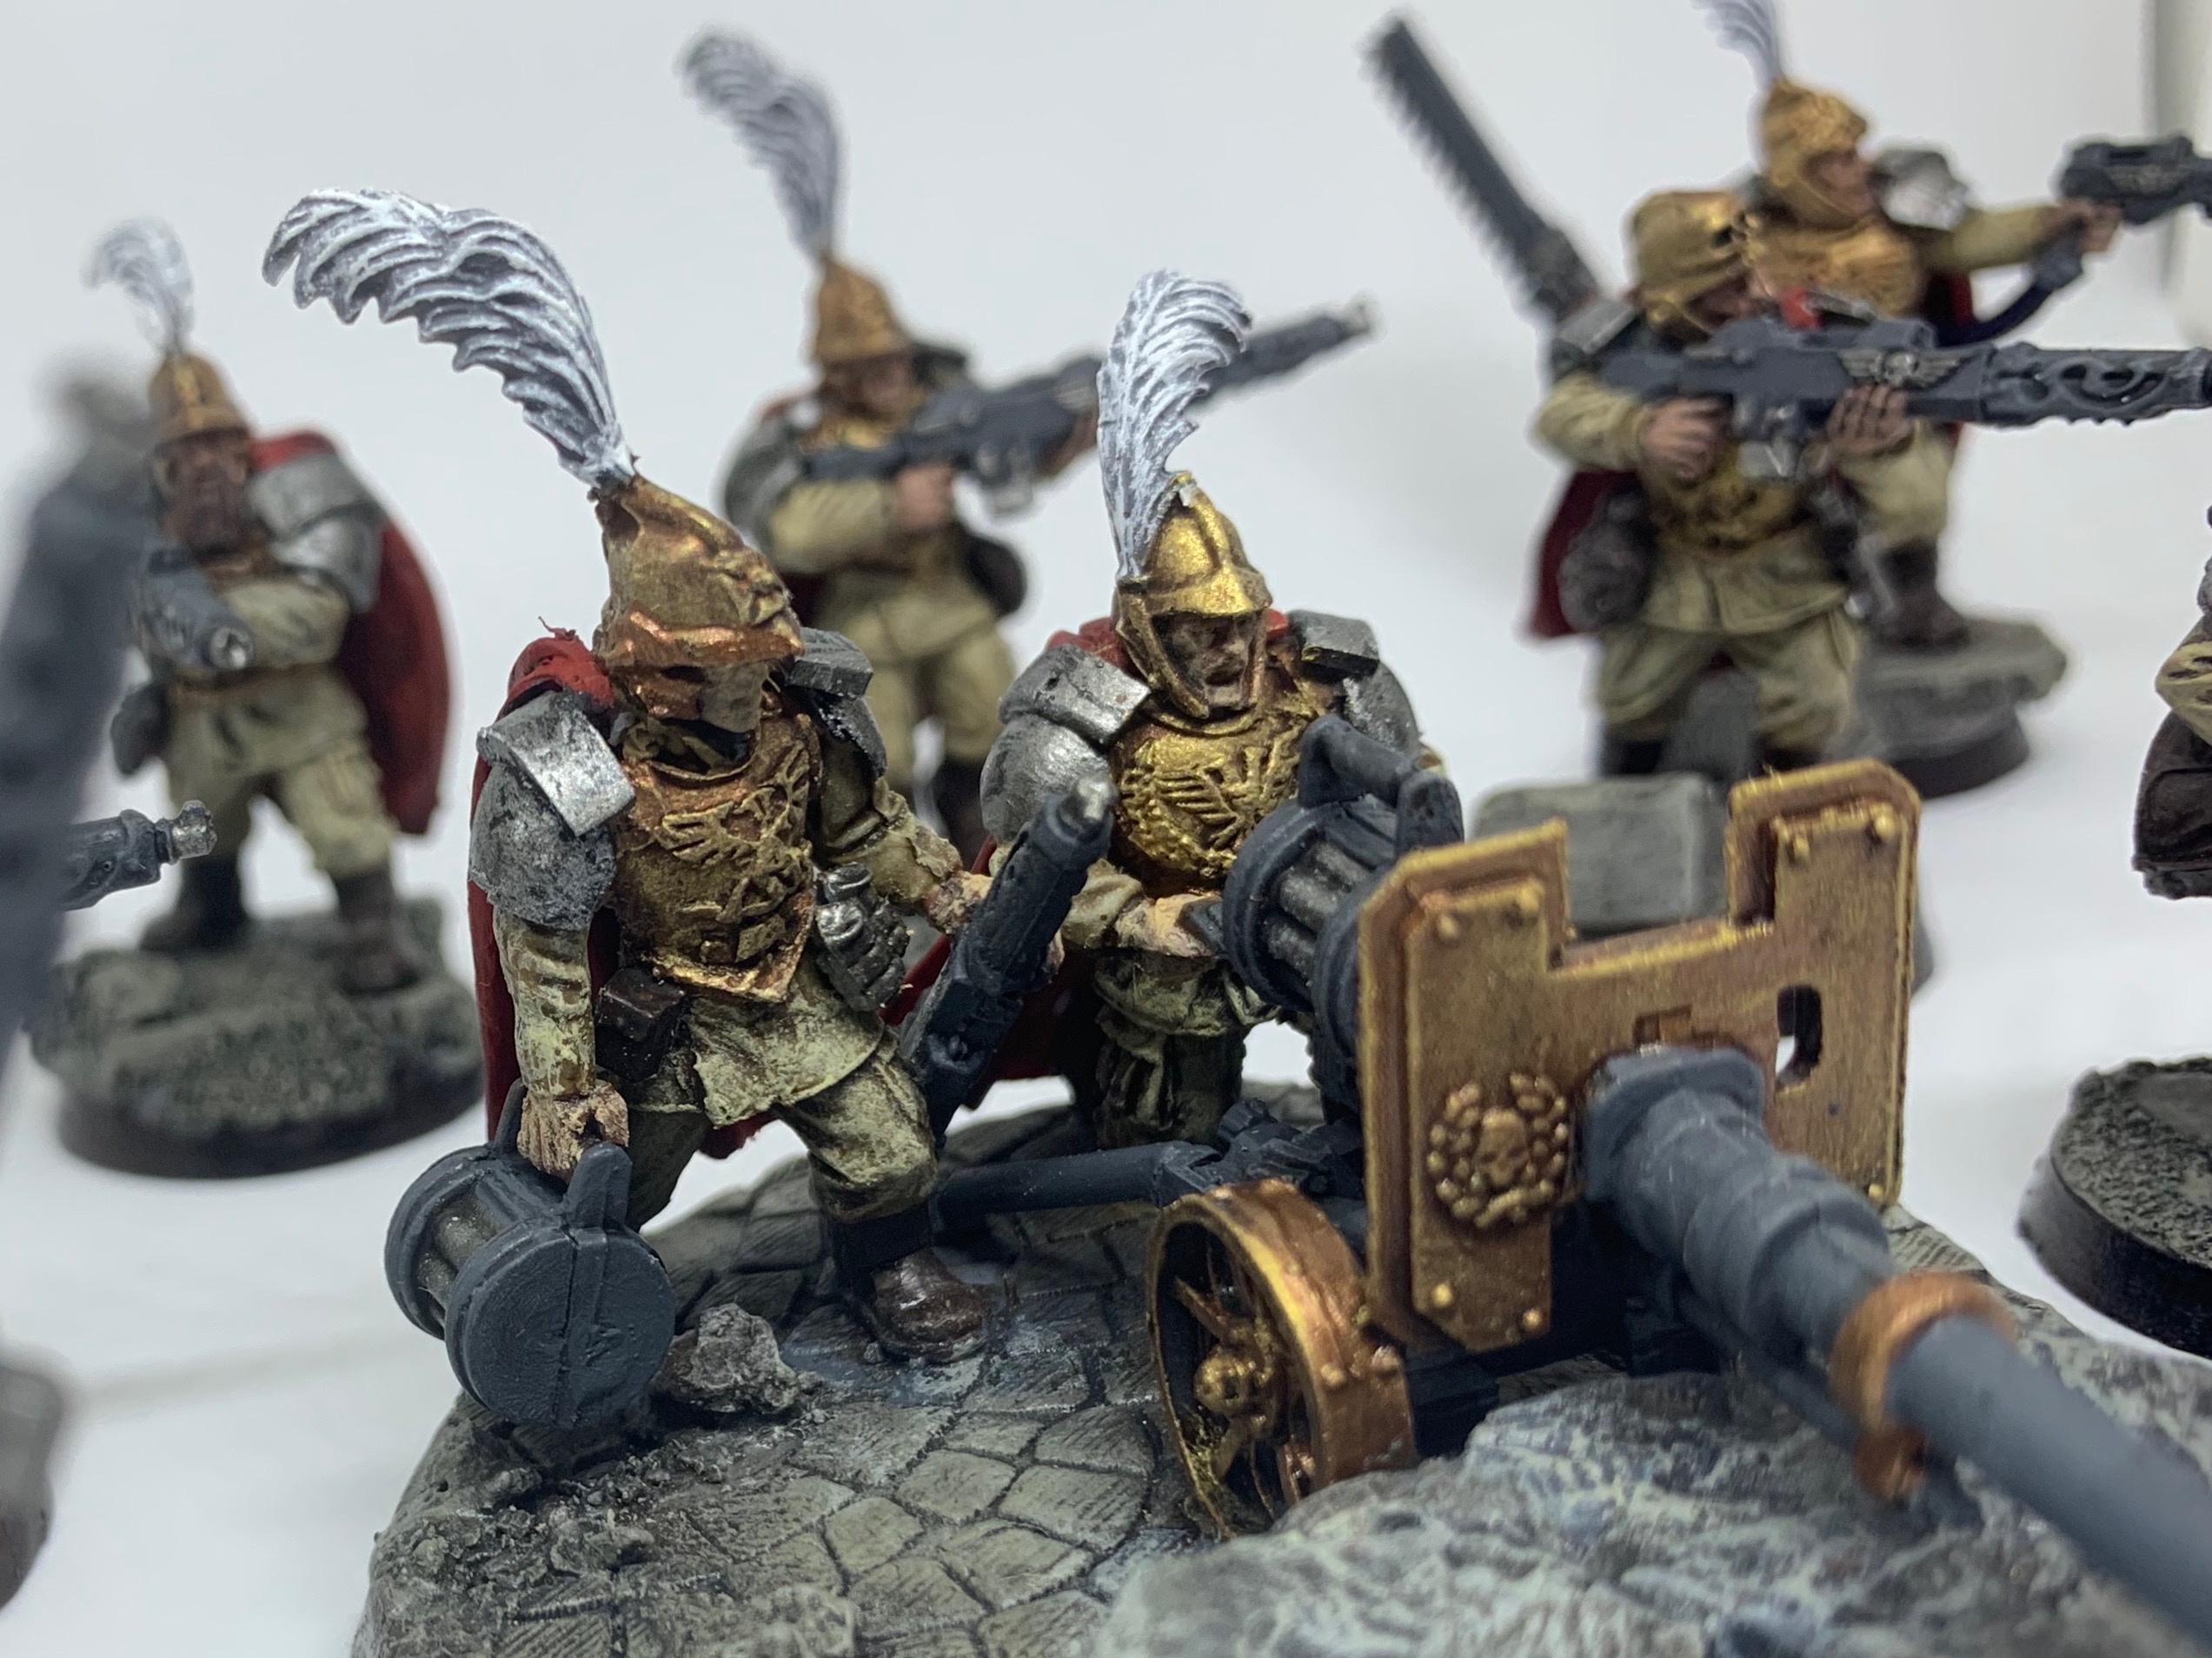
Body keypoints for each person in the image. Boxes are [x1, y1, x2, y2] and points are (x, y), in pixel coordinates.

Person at [983, 272, 1428, 1150]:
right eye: (1199, 631)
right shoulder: (1080, 719)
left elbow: (1408, 783)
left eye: (1238, 625)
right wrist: (1134, 917)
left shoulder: (1324, 673)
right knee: (1166, 1143)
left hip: (1324, 920)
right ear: (1149, 627)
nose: (1227, 651)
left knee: (1388, 1081)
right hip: (1172, 961)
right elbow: (1027, 866)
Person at [1533, 192, 1951, 773]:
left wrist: (1876, 445)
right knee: (1631, 697)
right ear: (1674, 294)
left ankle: (1786, 806)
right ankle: (1632, 802)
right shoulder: (1627, 343)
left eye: (1755, 274)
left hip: (1789, 568)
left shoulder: (1822, 333)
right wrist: (1637, 428)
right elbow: (1559, 415)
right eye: (1727, 287)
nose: (1754, 294)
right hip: (1670, 568)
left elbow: (1914, 493)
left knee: (1813, 699)